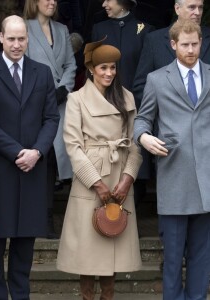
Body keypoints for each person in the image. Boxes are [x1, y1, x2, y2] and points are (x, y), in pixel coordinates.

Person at [0, 15, 60, 300]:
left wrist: (36, 152)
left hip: (33, 168)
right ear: (0, 38)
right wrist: (16, 152)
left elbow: (51, 118)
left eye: (22, 38)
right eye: (11, 38)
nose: (17, 44)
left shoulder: (42, 73)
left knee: (25, 246)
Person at [57, 39, 142, 299]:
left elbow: (136, 142)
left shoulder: (125, 96)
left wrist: (127, 179)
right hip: (90, 180)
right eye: (103, 67)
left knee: (112, 251)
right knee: (87, 255)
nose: (108, 73)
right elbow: (72, 146)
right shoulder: (77, 99)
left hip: (119, 177)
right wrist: (97, 184)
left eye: (113, 68)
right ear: (91, 69)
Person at [134, 20, 210, 300]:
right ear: (173, 45)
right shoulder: (157, 79)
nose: (191, 50)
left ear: (201, 42)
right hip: (174, 174)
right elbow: (142, 119)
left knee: (202, 256)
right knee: (173, 256)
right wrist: (143, 138)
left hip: (207, 177)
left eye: (195, 44)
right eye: (185, 45)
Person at [92, 0, 154, 208]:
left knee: (134, 158)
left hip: (135, 107)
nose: (104, 4)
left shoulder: (145, 30)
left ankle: (129, 218)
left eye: (109, 0)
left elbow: (146, 71)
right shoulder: (99, 29)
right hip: (104, 107)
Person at [24, 0, 76, 238]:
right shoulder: (23, 28)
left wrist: (63, 89)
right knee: (41, 160)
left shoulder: (62, 30)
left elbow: (70, 65)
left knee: (58, 159)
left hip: (61, 103)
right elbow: (22, 65)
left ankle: (58, 217)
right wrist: (45, 92)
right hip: (35, 103)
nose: (51, 2)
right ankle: (42, 218)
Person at [133, 0, 210, 110]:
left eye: (200, 7)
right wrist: (165, 112)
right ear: (177, 9)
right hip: (166, 123)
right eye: (192, 7)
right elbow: (140, 86)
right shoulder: (154, 40)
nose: (197, 12)